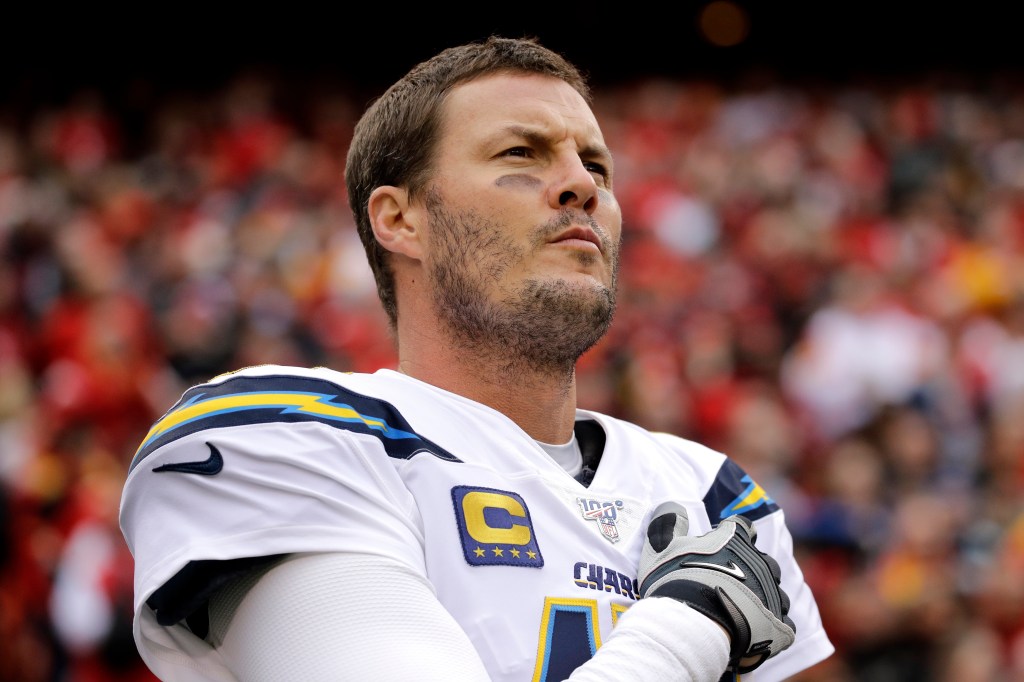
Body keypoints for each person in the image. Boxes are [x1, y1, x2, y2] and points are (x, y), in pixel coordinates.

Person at [119, 36, 834, 681]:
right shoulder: (287, 434)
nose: (583, 186)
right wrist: (687, 627)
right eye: (520, 153)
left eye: (596, 166)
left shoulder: (711, 493)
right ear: (400, 219)